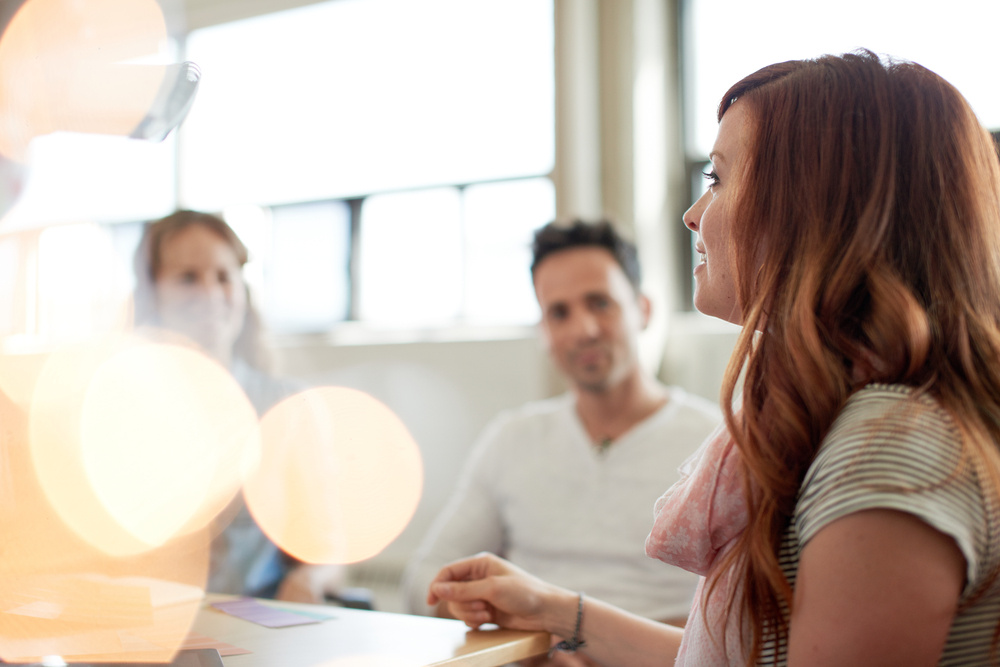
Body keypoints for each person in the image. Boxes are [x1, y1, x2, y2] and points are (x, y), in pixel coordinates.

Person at [425, 50, 1000, 666]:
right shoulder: (849, 424)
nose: (691, 215)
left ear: (811, 205)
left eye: (718, 179)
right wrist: (556, 612)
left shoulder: (889, 449)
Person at [402, 219, 722, 631]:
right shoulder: (512, 439)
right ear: (543, 331)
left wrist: (597, 642)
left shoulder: (714, 440)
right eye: (559, 313)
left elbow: (748, 609)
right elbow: (424, 580)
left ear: (643, 309)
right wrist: (504, 622)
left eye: (600, 303)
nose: (583, 331)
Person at [133, 209, 345, 604]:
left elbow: (327, 547)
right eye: (187, 278)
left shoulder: (287, 406)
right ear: (152, 293)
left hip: (255, 629)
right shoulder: (120, 410)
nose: (211, 294)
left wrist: (308, 582)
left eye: (224, 276)